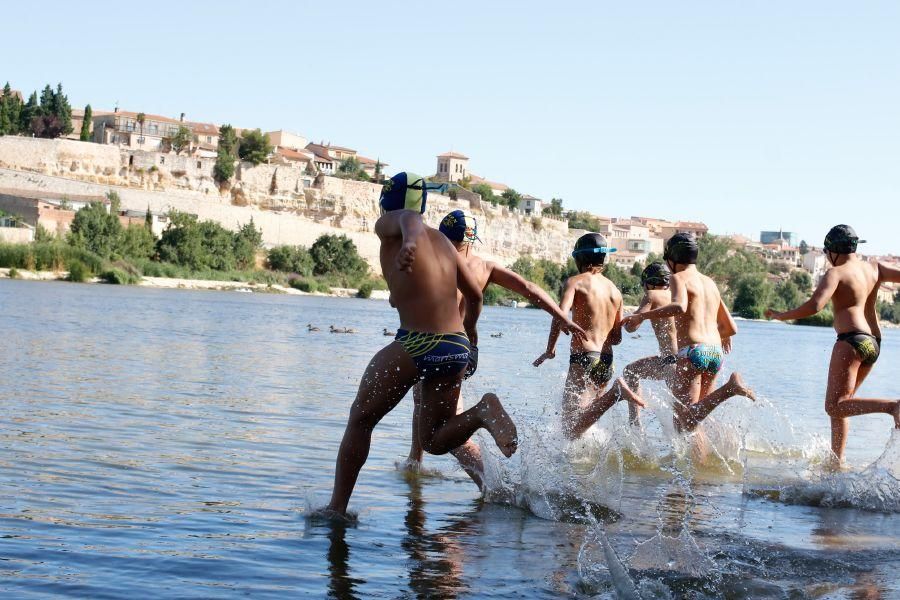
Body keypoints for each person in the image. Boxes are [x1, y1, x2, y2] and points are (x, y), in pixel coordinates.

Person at [318, 173, 518, 519]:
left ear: (388, 201)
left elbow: (408, 219)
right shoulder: (444, 242)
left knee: (361, 419)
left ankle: (337, 509)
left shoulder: (393, 224)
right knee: (435, 440)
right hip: (455, 347)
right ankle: (482, 411)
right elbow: (474, 294)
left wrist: (410, 241)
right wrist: (469, 331)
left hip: (418, 342)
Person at [404, 210, 584, 487]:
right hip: (465, 349)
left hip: (438, 347)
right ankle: (415, 461)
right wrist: (561, 318)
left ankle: (492, 484)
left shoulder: (436, 261)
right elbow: (528, 288)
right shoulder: (484, 267)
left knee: (447, 433)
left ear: (442, 236)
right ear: (473, 240)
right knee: (423, 400)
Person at [765, 225, 900, 466]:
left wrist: (781, 315)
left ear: (834, 251)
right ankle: (836, 462)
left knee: (834, 406)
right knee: (843, 405)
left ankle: (893, 406)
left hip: (851, 341)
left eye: (827, 251)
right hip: (873, 344)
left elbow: (815, 306)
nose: (827, 257)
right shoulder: (874, 268)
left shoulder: (835, 273)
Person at [621, 233, 755, 433]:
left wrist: (642, 316)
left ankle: (729, 389)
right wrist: (721, 335)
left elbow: (679, 307)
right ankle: (702, 461)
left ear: (672, 259)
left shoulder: (678, 278)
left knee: (685, 422)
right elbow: (731, 328)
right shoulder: (710, 283)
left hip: (693, 353)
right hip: (715, 354)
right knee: (693, 422)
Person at [533, 233, 645, 440]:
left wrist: (550, 349)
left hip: (584, 358)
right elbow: (616, 339)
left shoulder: (575, 282)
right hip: (606, 361)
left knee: (569, 428)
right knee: (585, 423)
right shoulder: (615, 291)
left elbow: (560, 315)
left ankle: (616, 393)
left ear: (579, 258)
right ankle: (582, 466)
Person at [620, 262, 678, 427]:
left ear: (650, 283)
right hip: (688, 357)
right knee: (631, 371)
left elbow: (632, 327)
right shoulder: (678, 297)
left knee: (682, 420)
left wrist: (622, 316)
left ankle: (635, 426)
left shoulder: (652, 295)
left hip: (671, 363)